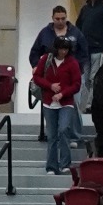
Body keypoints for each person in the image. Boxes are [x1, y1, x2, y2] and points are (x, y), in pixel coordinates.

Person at [33, 34, 83, 176]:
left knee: (64, 129)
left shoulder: (72, 62)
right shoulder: (46, 59)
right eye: (61, 49)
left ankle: (65, 163)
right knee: (52, 135)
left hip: (66, 102)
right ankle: (51, 166)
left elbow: (76, 84)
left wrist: (62, 93)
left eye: (66, 49)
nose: (63, 52)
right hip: (49, 103)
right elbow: (37, 77)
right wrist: (50, 86)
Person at [29, 4, 89, 72]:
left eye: (63, 19)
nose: (60, 21)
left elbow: (84, 52)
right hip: (49, 71)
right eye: (57, 19)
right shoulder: (45, 33)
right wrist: (36, 66)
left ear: (66, 17)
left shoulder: (76, 33)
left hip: (70, 72)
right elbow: (35, 52)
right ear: (52, 18)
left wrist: (77, 67)